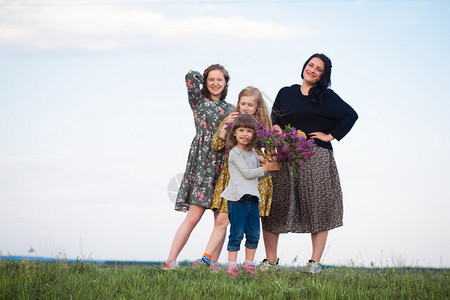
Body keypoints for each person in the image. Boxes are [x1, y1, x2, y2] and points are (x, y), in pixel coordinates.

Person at [260, 53, 358, 274]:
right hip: (286, 155)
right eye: (310, 65)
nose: (312, 70)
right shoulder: (286, 92)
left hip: (316, 157)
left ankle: (314, 263)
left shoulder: (327, 97)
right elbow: (274, 119)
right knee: (275, 206)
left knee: (318, 206)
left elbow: (351, 115)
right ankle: (271, 262)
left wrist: (329, 136)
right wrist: (275, 128)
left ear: (324, 75)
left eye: (319, 69)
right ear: (304, 66)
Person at [192, 86, 274, 272]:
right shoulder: (231, 120)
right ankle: (207, 259)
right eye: (242, 103)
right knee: (222, 219)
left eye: (250, 104)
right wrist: (225, 127)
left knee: (251, 225)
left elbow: (270, 156)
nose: (245, 107)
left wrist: (261, 158)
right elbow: (217, 145)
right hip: (233, 177)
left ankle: (247, 263)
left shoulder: (264, 125)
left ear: (257, 106)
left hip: (255, 181)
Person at [164, 64, 235, 269]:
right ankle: (171, 260)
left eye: (219, 80)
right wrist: (203, 77)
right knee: (193, 217)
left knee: (221, 221)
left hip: (224, 165)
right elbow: (189, 76)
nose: (215, 83)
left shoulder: (231, 109)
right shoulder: (199, 102)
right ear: (205, 81)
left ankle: (213, 263)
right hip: (203, 164)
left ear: (225, 83)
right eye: (211, 79)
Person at [220, 114, 281, 277]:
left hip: (252, 199)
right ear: (234, 133)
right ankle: (232, 266)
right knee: (237, 233)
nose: (245, 134)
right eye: (241, 130)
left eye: (249, 131)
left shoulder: (253, 154)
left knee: (254, 233)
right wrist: (266, 168)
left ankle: (249, 264)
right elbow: (247, 174)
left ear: (254, 134)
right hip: (237, 199)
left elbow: (256, 176)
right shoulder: (235, 153)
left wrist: (270, 172)